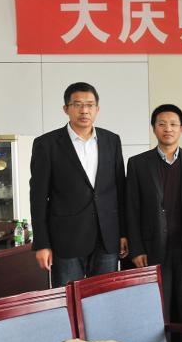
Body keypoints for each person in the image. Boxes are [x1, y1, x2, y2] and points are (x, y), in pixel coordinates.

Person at [125, 104, 182, 342]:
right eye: (162, 124)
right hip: (152, 250)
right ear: (154, 128)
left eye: (173, 124)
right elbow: (132, 208)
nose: (168, 129)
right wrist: (136, 248)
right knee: (157, 314)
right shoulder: (138, 163)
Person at [30, 82, 127, 287]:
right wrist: (42, 244)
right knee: (69, 299)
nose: (84, 110)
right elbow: (38, 198)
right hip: (66, 240)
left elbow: (120, 191)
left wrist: (123, 233)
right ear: (66, 109)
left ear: (97, 109)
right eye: (77, 105)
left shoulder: (112, 140)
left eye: (90, 105)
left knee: (104, 298)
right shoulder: (46, 144)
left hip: (106, 238)